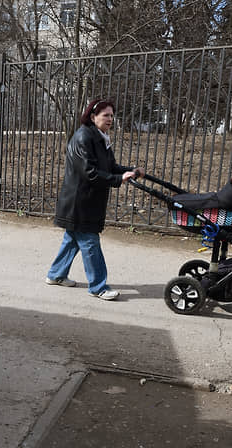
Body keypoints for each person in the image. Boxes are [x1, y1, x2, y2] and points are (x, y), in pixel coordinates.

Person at [45, 98, 144, 300]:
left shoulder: (100, 137)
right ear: (93, 117)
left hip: (87, 200)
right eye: (106, 115)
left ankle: (56, 275)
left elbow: (110, 166)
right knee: (90, 242)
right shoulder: (83, 137)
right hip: (79, 202)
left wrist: (130, 171)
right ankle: (98, 286)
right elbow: (89, 172)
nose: (110, 119)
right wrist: (118, 179)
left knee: (72, 239)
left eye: (112, 115)